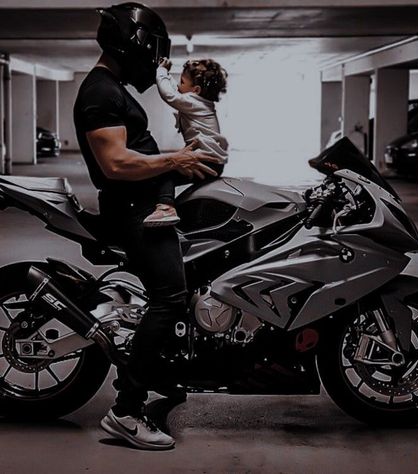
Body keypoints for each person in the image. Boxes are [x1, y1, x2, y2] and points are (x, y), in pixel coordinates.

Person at [73, 2, 220, 450]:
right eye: (153, 50)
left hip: (142, 200)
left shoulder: (112, 87)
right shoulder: (100, 92)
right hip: (133, 209)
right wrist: (175, 159)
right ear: (133, 43)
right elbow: (115, 163)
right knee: (170, 297)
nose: (156, 61)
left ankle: (162, 374)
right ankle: (126, 410)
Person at [143, 57, 229, 227]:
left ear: (196, 90)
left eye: (182, 81)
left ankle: (166, 208)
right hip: (212, 162)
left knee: (164, 172)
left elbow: (169, 95)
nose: (177, 84)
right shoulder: (202, 103)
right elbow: (175, 91)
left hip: (205, 160)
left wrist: (162, 72)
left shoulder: (193, 102)